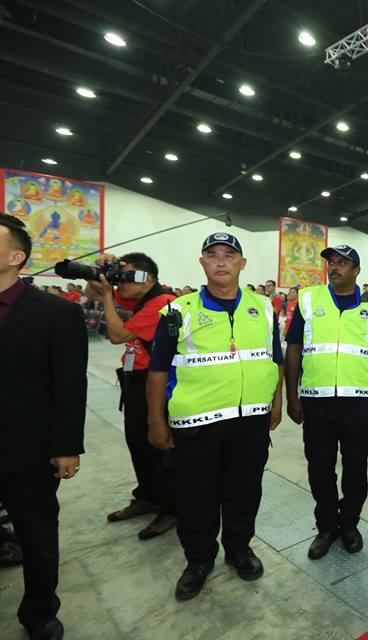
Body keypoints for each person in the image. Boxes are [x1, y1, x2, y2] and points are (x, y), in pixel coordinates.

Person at [146, 232, 284, 601]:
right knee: (197, 497)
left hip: (250, 421)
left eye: (229, 255)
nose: (221, 261)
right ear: (202, 262)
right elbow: (157, 370)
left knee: (245, 490)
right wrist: (156, 421)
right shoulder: (179, 311)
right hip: (196, 425)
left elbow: (275, 359)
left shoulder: (264, 308)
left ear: (242, 263)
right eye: (212, 255)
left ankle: (238, 549)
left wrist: (276, 402)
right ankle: (198, 560)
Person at [0, 214, 87, 640]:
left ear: (15, 257)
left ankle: (39, 612)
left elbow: (69, 384)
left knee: (36, 536)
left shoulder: (56, 313)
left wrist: (66, 446)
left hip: (26, 449)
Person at [285, 245, 368, 559]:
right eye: (331, 262)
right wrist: (292, 395)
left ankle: (350, 525)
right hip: (316, 401)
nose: (334, 267)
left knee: (356, 468)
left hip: (357, 403)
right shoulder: (309, 300)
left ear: (356, 270)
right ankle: (327, 526)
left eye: (343, 263)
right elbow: (294, 349)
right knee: (320, 468)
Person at [84, 252, 178, 540]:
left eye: (126, 278)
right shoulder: (141, 297)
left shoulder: (162, 302)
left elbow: (117, 335)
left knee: (159, 446)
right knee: (137, 442)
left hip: (154, 381)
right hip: (134, 379)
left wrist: (108, 296)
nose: (120, 284)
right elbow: (91, 292)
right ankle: (147, 496)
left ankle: (171, 508)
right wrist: (99, 271)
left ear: (147, 279)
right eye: (119, 278)